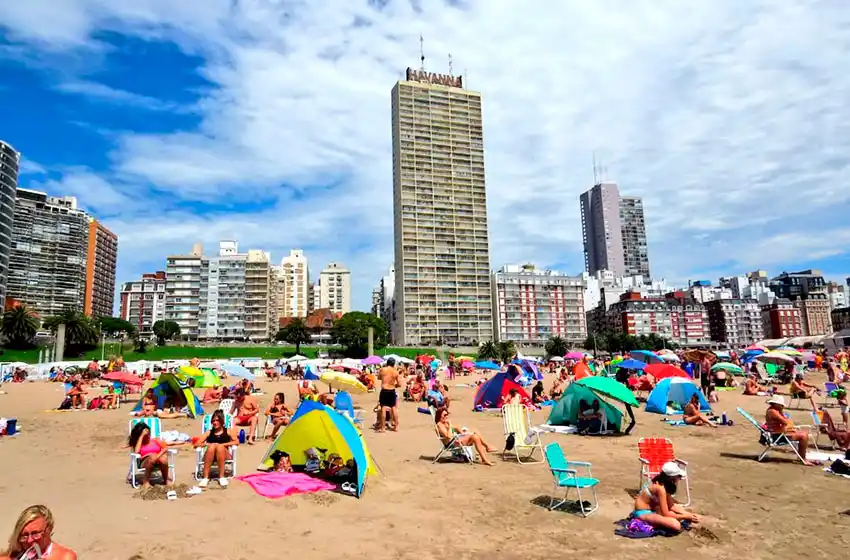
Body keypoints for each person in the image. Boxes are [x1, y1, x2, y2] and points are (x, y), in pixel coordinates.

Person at [632, 462, 700, 533]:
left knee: (679, 508)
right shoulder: (660, 489)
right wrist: (685, 516)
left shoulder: (663, 483)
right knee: (675, 525)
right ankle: (647, 521)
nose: (680, 479)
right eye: (679, 476)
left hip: (654, 509)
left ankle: (663, 521)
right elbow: (666, 513)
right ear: (671, 478)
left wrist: (687, 514)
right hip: (643, 513)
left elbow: (671, 505)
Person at [1, 505, 76, 559]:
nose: (29, 540)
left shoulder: (65, 557)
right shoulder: (11, 557)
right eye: (25, 535)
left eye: (35, 533)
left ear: (48, 529)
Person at [765, 396, 815, 465]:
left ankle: (801, 458)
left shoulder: (773, 410)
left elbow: (785, 422)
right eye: (781, 405)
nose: (782, 406)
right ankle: (802, 459)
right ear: (776, 404)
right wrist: (782, 412)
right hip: (777, 436)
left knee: (803, 433)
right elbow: (785, 422)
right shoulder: (773, 412)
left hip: (778, 434)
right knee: (804, 436)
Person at [194, 410, 237, 488]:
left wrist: (223, 445)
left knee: (219, 447)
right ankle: (205, 478)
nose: (215, 422)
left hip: (224, 455)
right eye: (213, 420)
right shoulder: (209, 432)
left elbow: (236, 442)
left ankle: (221, 477)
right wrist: (207, 444)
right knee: (212, 446)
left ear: (221, 421)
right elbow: (196, 443)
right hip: (210, 455)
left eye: (217, 420)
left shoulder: (227, 431)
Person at [128, 421, 179, 487]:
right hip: (145, 462)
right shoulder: (139, 443)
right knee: (152, 457)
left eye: (148, 433)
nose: (148, 436)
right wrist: (142, 436)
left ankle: (165, 480)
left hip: (158, 460)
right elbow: (136, 452)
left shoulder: (155, 440)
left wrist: (157, 456)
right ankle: (145, 481)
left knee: (163, 458)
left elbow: (165, 448)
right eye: (146, 435)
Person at [376, 357, 400, 432]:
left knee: (383, 408)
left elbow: (379, 377)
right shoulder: (395, 371)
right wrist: (394, 385)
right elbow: (399, 384)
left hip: (384, 390)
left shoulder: (383, 369)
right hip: (392, 390)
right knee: (393, 408)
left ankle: (383, 428)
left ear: (387, 363)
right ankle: (396, 427)